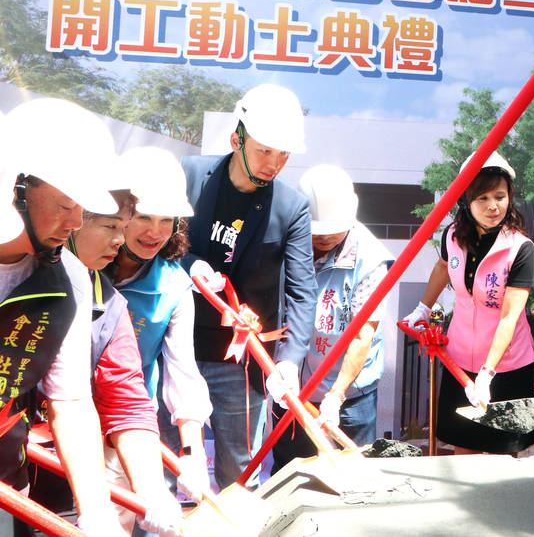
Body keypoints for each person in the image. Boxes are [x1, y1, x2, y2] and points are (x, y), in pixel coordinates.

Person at [180, 83, 316, 487]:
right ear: (236, 138)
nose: (274, 163)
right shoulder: (189, 177)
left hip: (241, 361)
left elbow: (302, 290)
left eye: (283, 154)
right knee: (165, 461)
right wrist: (189, 266)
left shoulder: (291, 207)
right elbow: (152, 246)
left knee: (240, 472)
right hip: (176, 346)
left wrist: (290, 360)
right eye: (264, 150)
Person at [0, 98, 125, 536]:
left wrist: (96, 510)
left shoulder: (67, 278)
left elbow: (70, 400)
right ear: (17, 187)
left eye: (83, 209)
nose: (76, 221)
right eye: (67, 202)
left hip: (6, 479)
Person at [63, 188, 183, 537]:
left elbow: (125, 398)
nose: (120, 240)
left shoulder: (108, 302)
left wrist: (152, 490)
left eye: (122, 227)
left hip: (79, 451)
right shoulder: (24, 276)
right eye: (111, 227)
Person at [404, 153, 534, 454]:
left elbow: (509, 318)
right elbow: (442, 268)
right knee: (464, 448)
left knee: (502, 454)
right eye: (483, 198)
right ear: (466, 200)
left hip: (505, 366)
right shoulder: (452, 235)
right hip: (460, 359)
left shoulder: (520, 248)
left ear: (510, 197)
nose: (493, 206)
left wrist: (488, 375)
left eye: (500, 196)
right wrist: (422, 308)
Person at [106, 146, 212, 501]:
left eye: (167, 220)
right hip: (54, 416)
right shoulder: (82, 265)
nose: (155, 232)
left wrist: (193, 455)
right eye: (144, 217)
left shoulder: (174, 287)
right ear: (119, 212)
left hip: (126, 426)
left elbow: (183, 373)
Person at [272, 164, 390, 469]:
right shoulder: (287, 244)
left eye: (331, 231)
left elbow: (363, 333)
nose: (323, 238)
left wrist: (336, 396)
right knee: (291, 471)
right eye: (316, 231)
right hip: (293, 386)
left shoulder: (371, 260)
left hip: (350, 396)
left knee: (350, 473)